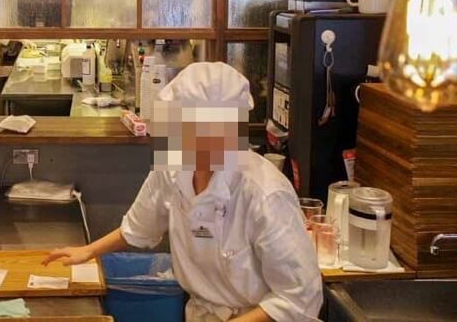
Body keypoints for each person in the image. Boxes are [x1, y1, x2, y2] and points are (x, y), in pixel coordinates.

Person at [44, 62, 322, 322]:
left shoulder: (264, 193)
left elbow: (299, 298)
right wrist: (87, 251)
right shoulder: (174, 168)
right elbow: (139, 227)